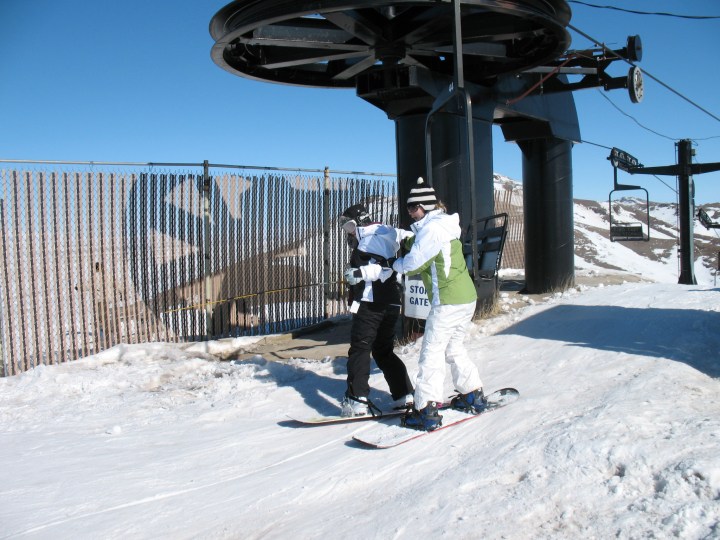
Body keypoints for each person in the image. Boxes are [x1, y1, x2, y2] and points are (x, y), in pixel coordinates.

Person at [391, 178, 486, 431]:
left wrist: (395, 266)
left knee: (431, 354)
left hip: (448, 301)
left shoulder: (432, 231)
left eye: (412, 208)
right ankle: (472, 394)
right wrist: (406, 238)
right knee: (454, 348)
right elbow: (425, 247)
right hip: (466, 297)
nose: (409, 213)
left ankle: (426, 410)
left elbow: (414, 262)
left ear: (423, 207)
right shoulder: (443, 225)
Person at [339, 203, 415, 417]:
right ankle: (404, 393)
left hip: (372, 303)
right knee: (383, 350)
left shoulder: (369, 238)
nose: (349, 232)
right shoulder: (387, 232)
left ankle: (357, 399)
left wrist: (360, 273)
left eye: (349, 226)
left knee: (360, 348)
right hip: (391, 302)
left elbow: (383, 266)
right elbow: (404, 242)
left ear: (359, 221)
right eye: (345, 228)